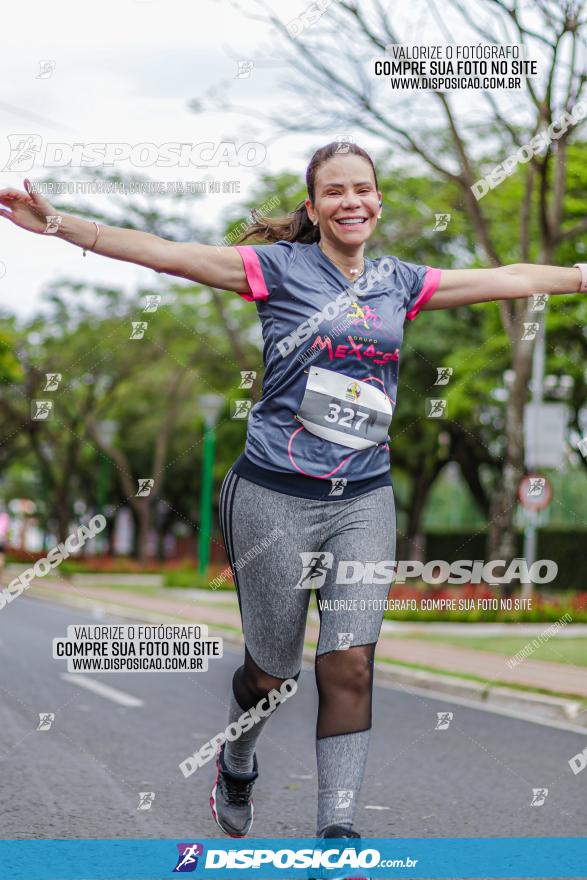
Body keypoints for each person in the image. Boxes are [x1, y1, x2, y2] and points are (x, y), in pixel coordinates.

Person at [1, 144, 585, 850]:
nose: (351, 202)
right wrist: (58, 222)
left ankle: (337, 833)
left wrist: (580, 275)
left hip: (363, 496)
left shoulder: (399, 281)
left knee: (349, 660)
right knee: (273, 672)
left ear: (377, 201)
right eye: (333, 192)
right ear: (312, 208)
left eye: (362, 189)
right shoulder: (274, 270)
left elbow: (509, 275)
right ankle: (237, 756)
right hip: (273, 497)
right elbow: (162, 251)